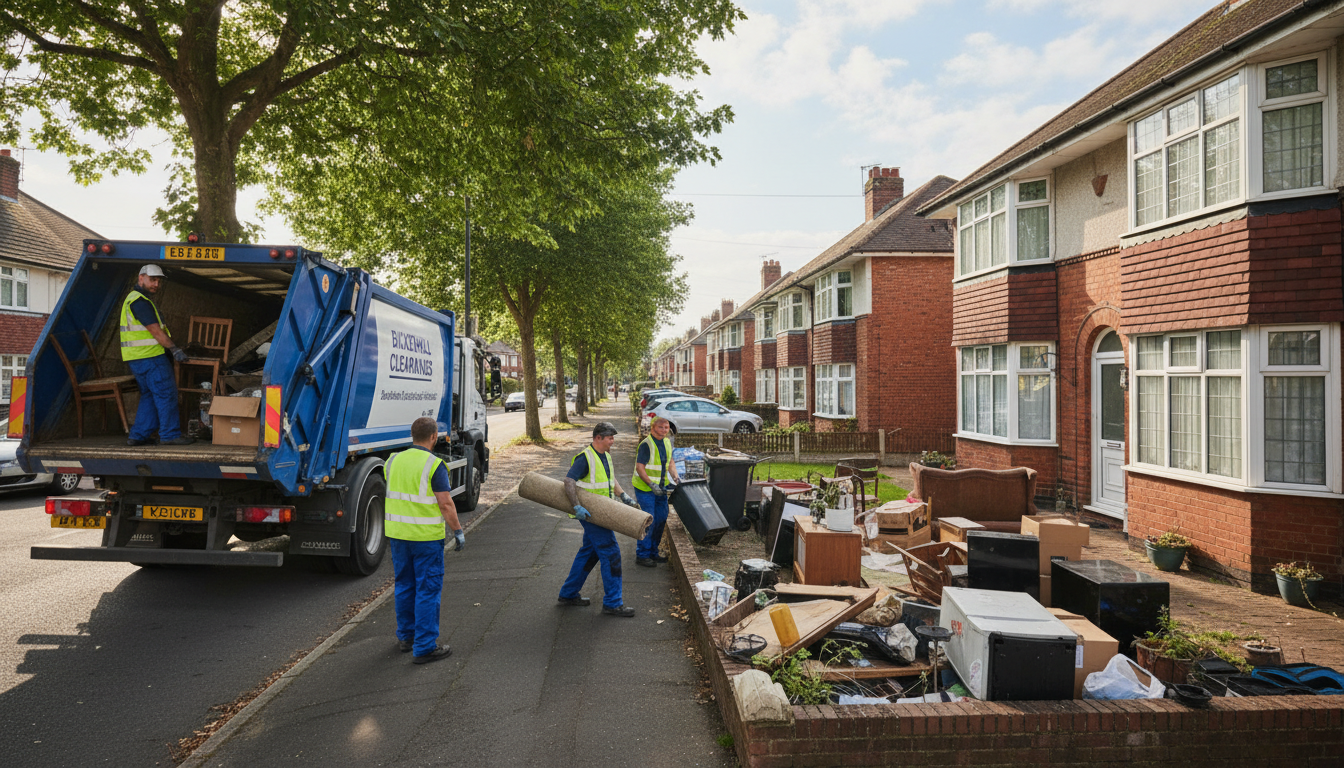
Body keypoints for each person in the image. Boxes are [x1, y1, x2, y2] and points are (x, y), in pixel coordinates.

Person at [385, 416, 466, 664]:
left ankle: (406, 637)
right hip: (425, 539)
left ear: (412, 435)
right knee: (427, 590)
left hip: (398, 536)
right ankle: (424, 646)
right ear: (433, 437)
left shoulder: (392, 461)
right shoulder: (434, 465)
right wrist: (458, 531)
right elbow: (445, 503)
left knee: (404, 586)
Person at [558, 421, 640, 617]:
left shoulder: (605, 456)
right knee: (611, 553)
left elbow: (610, 480)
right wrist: (576, 505)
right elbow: (569, 481)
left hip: (602, 513)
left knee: (590, 552)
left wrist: (623, 495)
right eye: (610, 438)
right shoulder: (585, 458)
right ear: (598, 438)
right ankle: (613, 603)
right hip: (590, 514)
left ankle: (568, 594)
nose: (612, 442)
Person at [121, 264, 193, 446]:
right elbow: (155, 331)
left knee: (149, 395)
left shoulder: (133, 299)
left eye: (158, 281)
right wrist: (174, 349)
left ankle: (138, 435)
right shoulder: (140, 301)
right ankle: (170, 434)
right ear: (141, 278)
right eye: (153, 280)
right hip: (151, 357)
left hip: (136, 358)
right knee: (166, 394)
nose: (156, 285)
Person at [632, 417, 680, 568]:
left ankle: (653, 552)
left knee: (660, 519)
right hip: (645, 489)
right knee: (648, 521)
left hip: (661, 488)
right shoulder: (646, 444)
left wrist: (675, 476)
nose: (665, 430)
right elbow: (640, 467)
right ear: (653, 429)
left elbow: (670, 461)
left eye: (666, 428)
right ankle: (642, 555)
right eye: (661, 427)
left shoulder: (666, 442)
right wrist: (651, 484)